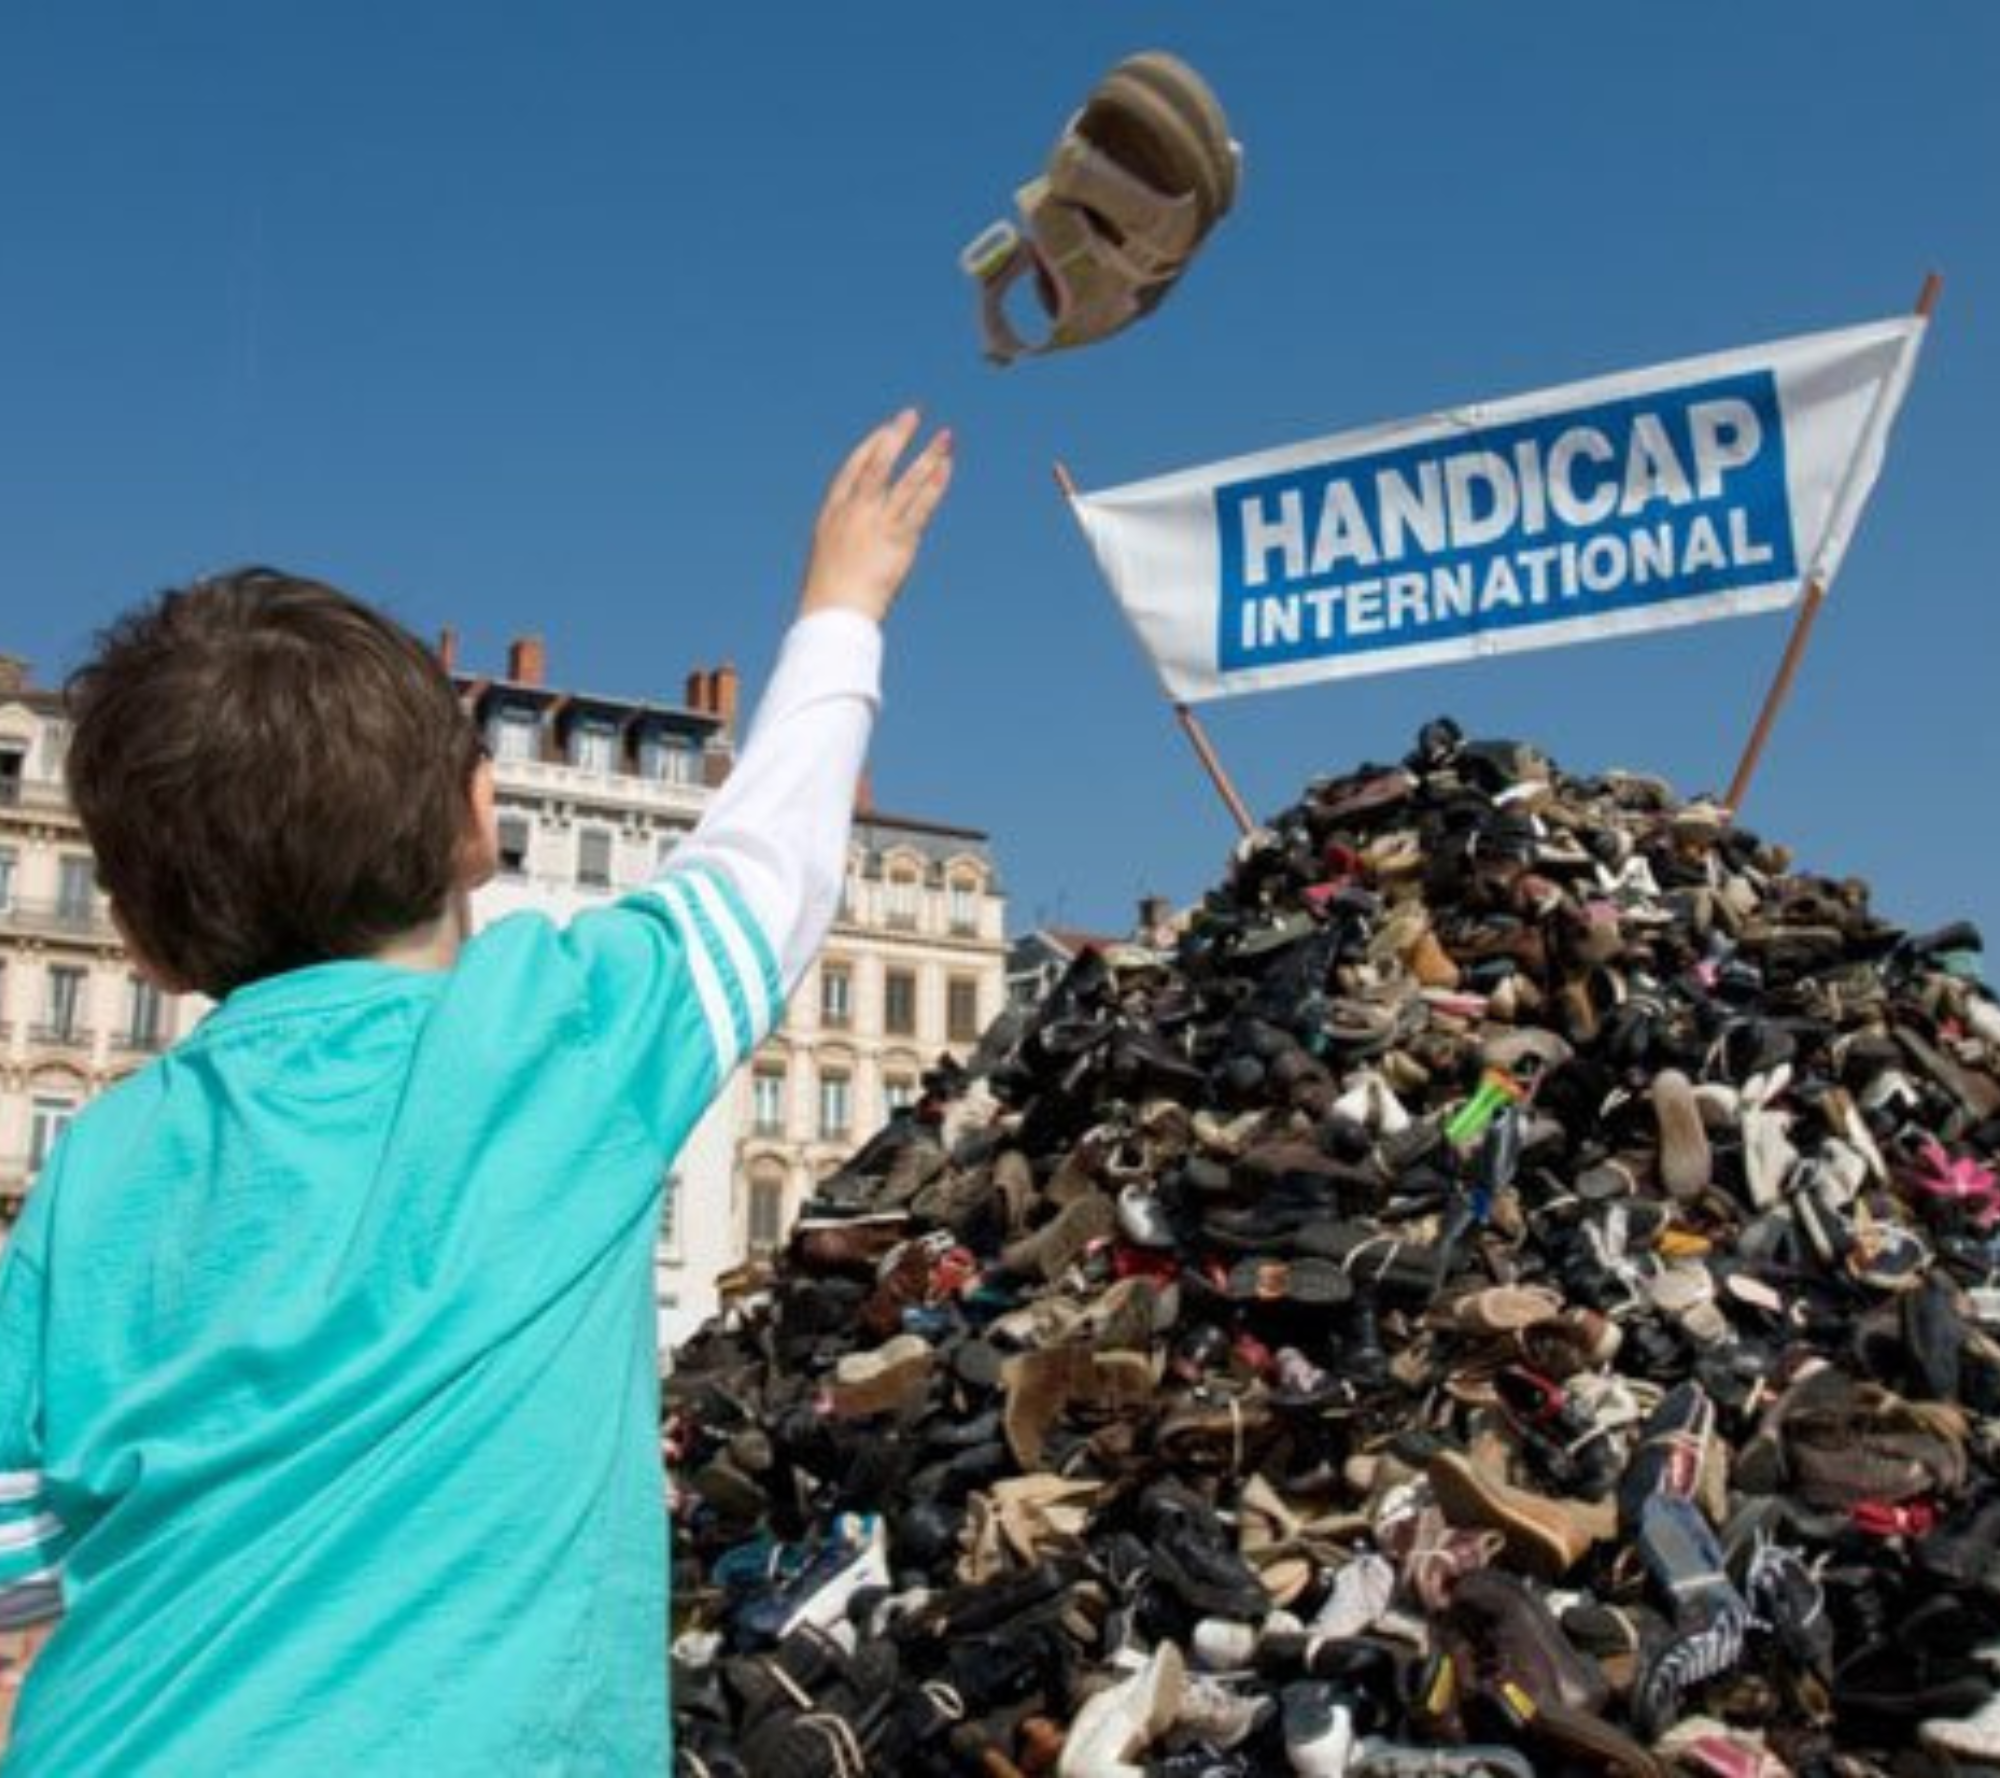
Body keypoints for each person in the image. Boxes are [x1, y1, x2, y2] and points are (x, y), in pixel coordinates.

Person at [0, 410, 953, 1773]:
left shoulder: (92, 1166)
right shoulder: (558, 1039)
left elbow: (17, 1562)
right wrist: (841, 604)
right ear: (477, 817)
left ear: (141, 941)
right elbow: (773, 857)